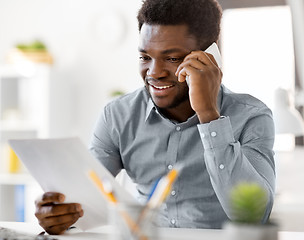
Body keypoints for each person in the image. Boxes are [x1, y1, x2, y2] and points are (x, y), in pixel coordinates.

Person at [34, 0, 275, 234]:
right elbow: (83, 198)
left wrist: (209, 116)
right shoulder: (118, 115)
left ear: (209, 58)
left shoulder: (251, 116)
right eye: (145, 57)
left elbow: (255, 216)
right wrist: (60, 214)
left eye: (172, 58)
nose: (154, 73)